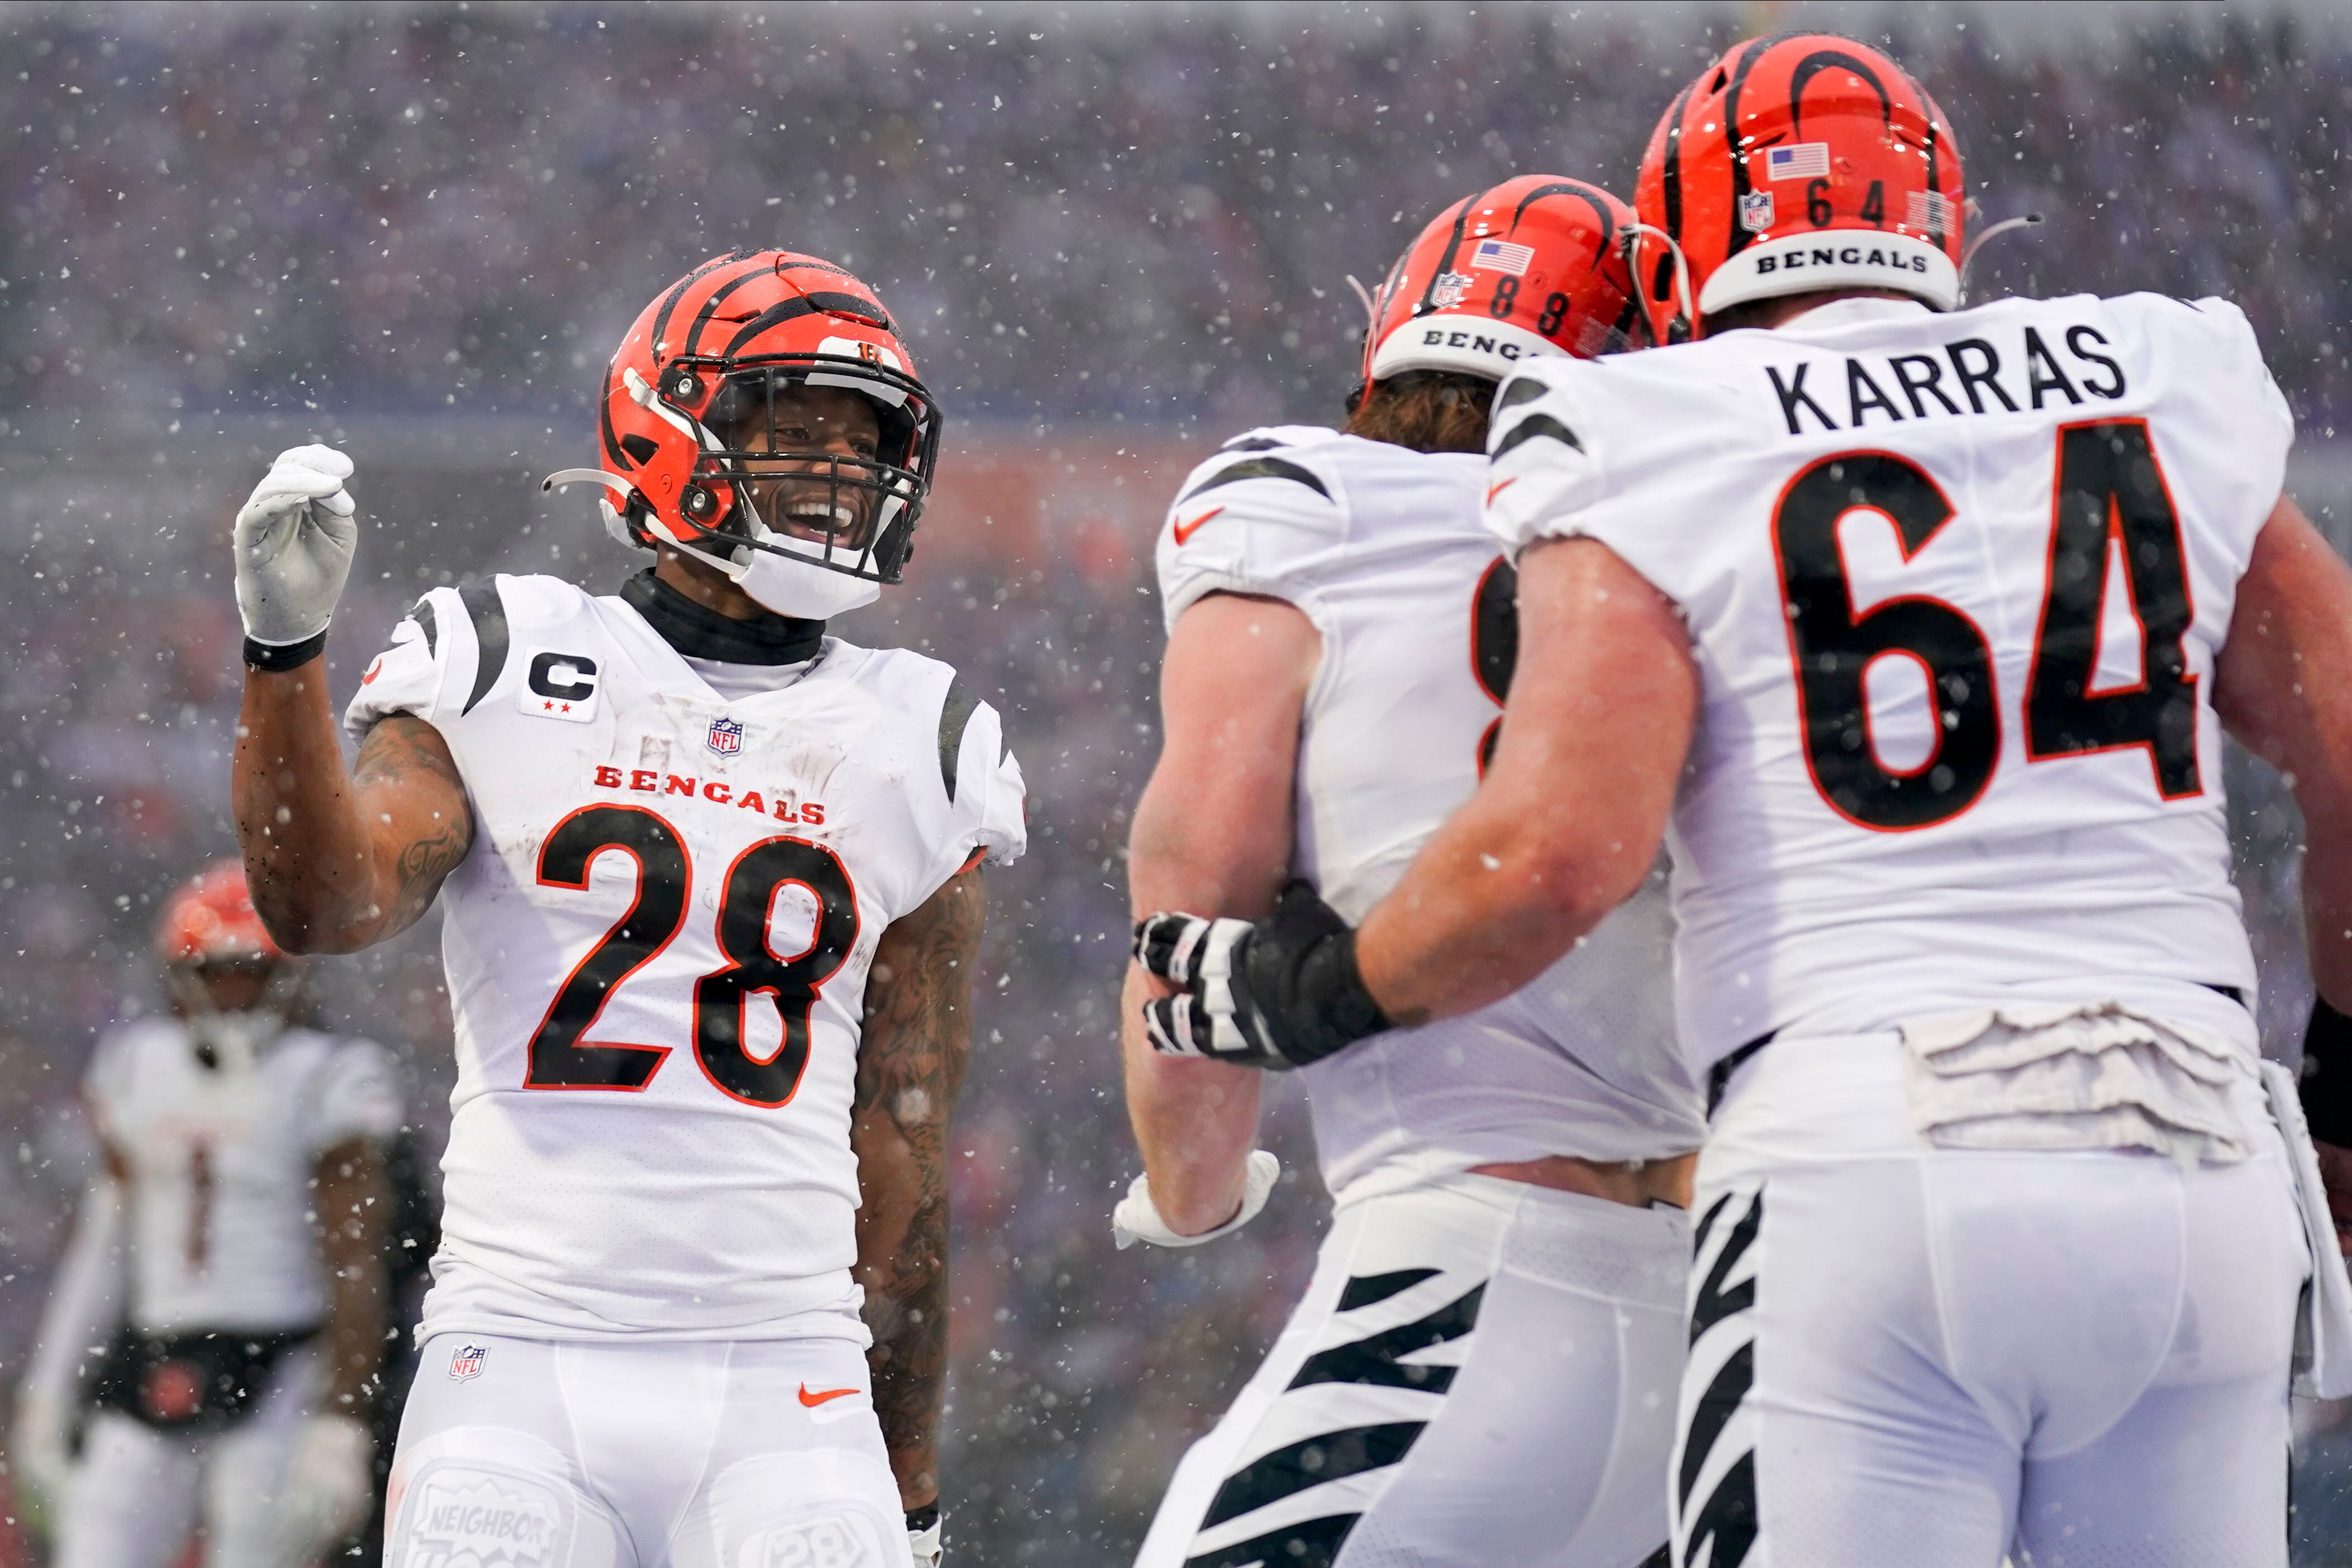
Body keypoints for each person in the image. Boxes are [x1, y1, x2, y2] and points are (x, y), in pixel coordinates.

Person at [1134, 34, 2352, 1567]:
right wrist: (2348, 1082)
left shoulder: (1654, 424)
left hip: (1866, 1146)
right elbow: (2345, 744)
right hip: (2197, 1149)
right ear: (1942, 227)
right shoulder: (2156, 367)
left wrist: (1311, 983)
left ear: (1681, 243)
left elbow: (1553, 857)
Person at [227, 250, 1026, 1568]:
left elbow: (903, 1137)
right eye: (797, 429)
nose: (843, 469)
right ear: (670, 431)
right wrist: (284, 657)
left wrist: (914, 1477)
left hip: (794, 1374)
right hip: (520, 1363)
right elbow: (324, 903)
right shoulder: (498, 646)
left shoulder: (922, 734)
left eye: (863, 439)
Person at [1121, 179, 1702, 1568]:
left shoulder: (1299, 505)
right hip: (1717, 1294)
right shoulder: (1686, 525)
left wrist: (1192, 1191)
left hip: (1465, 1267)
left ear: (1391, 336)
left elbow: (1192, 916)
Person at [11, 862, 399, 1567]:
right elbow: (105, 1242)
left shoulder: (328, 1073)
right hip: (153, 1352)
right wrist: (48, 1391)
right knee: (94, 1549)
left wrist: (341, 1420)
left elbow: (354, 1255)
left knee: (255, 1548)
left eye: (252, 971)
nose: (236, 992)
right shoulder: (137, 1064)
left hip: (282, 1358)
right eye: (219, 972)